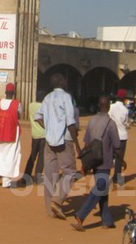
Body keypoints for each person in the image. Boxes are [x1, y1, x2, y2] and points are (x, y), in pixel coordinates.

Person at [71, 95, 125, 232]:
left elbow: (87, 143)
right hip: (105, 162)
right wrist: (122, 160)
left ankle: (107, 220)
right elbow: (117, 146)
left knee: (103, 190)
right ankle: (81, 215)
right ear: (108, 106)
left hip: (94, 161)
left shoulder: (92, 120)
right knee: (100, 189)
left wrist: (85, 163)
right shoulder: (111, 123)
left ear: (99, 105)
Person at [35, 73, 83, 220]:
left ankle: (50, 209)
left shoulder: (47, 98)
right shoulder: (66, 97)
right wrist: (77, 145)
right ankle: (57, 201)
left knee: (50, 175)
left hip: (49, 141)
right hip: (64, 140)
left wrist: (49, 128)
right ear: (62, 82)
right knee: (70, 172)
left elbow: (38, 117)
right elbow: (70, 123)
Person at [0, 83, 22, 188]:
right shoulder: (17, 104)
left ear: (5, 92)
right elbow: (19, 116)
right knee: (10, 157)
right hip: (11, 133)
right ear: (13, 93)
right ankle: (6, 182)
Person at [23, 90, 46, 185]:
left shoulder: (31, 105)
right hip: (44, 134)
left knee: (32, 155)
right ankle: (37, 177)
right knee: (41, 157)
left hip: (35, 134)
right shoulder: (44, 107)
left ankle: (26, 177)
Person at [109, 89, 130, 187]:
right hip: (122, 135)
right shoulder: (125, 110)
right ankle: (117, 178)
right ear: (124, 98)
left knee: (109, 156)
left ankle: (105, 177)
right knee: (120, 157)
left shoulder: (111, 107)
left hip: (112, 135)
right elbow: (126, 123)